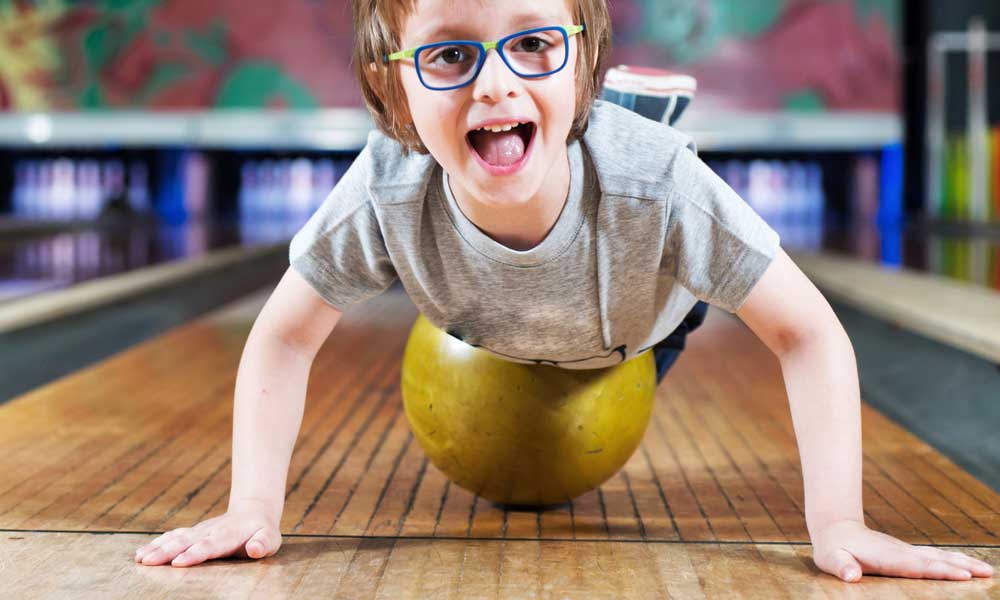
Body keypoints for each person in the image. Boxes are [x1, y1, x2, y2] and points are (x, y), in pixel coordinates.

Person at [133, 0, 995, 584]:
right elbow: (284, 335)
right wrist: (252, 504)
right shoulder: (387, 187)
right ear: (392, 88)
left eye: (535, 42)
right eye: (448, 53)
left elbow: (809, 334)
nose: (495, 82)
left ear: (581, 62)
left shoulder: (657, 188)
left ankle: (631, 106)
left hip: (640, 315)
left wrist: (838, 522)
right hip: (484, 304)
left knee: (636, 240)